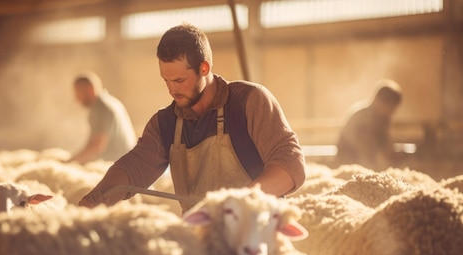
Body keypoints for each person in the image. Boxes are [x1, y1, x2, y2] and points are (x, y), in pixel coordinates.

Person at [79, 23, 305, 213]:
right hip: (204, 240)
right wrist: (97, 197)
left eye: (179, 81)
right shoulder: (165, 124)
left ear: (204, 68)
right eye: (165, 80)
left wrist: (242, 201)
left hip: (256, 238)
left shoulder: (248, 102)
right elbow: (134, 167)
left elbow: (290, 165)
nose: (171, 89)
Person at [68, 72, 137, 164]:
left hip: (116, 165)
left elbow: (97, 146)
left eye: (78, 92)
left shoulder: (100, 108)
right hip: (127, 161)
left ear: (90, 89)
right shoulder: (112, 102)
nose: (76, 98)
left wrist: (69, 162)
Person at [335, 79, 403, 170]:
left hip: (368, 165)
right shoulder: (361, 118)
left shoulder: (383, 119)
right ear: (380, 101)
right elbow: (363, 151)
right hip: (351, 165)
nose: (393, 112)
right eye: (392, 107)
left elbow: (386, 146)